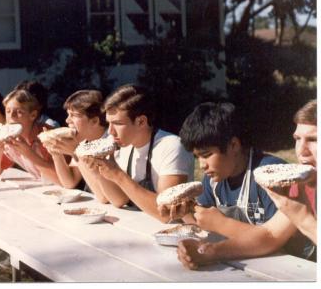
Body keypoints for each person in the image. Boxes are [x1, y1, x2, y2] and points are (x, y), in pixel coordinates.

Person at [177, 100, 317, 270]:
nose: (301, 150)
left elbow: (282, 245)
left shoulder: (268, 174)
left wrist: (304, 219)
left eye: (313, 139)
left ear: (234, 145)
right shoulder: (303, 185)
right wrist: (209, 252)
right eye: (297, 139)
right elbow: (271, 236)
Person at [164, 102, 285, 237]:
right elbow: (203, 227)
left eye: (206, 155)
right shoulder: (212, 180)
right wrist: (185, 213)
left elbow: (277, 239)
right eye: (197, 157)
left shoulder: (271, 177)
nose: (202, 165)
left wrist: (222, 224)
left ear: (234, 145)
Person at [83, 85, 194, 220]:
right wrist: (100, 170)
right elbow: (119, 200)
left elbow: (167, 213)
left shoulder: (172, 146)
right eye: (109, 123)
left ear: (141, 121)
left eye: (117, 123)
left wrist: (118, 175)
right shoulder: (124, 145)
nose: (110, 132)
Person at [41, 90, 127, 205]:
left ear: (95, 121)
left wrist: (77, 152)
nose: (67, 120)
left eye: (74, 115)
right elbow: (69, 182)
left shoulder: (111, 145)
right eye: (68, 114)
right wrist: (56, 154)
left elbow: (103, 197)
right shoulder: (84, 141)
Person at [0, 89, 59, 183]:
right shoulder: (10, 139)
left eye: (19, 111)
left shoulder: (47, 136)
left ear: (33, 115)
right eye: (8, 111)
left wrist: (28, 153)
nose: (12, 116)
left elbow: (60, 178)